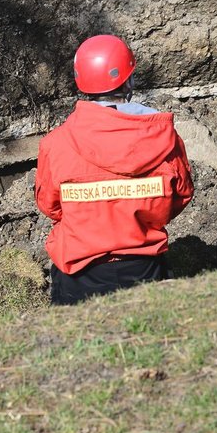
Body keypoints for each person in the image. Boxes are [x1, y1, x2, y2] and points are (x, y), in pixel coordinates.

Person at [34, 35, 194, 305]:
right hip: (144, 268)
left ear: (80, 80)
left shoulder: (56, 144)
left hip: (78, 274)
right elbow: (180, 196)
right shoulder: (164, 138)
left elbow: (50, 205)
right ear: (129, 80)